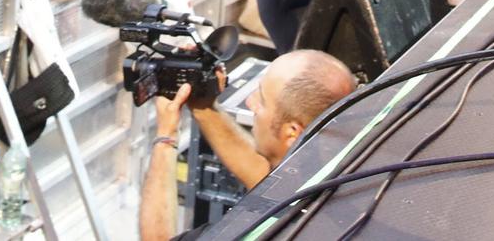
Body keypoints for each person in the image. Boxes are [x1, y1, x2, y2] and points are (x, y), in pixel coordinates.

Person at [140, 49, 355, 241]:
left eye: (261, 100)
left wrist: (165, 137)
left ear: (292, 132)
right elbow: (272, 184)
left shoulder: (255, 231)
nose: (250, 102)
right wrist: (203, 107)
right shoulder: (354, 165)